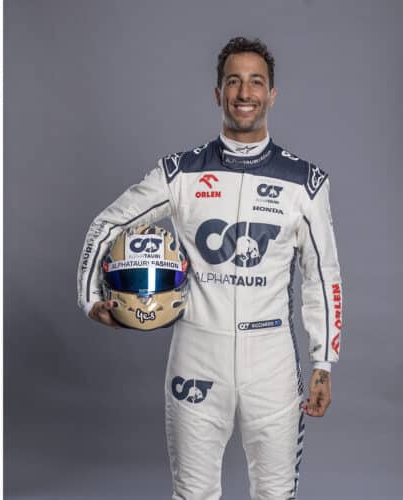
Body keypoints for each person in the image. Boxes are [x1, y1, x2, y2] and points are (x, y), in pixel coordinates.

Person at [77, 37, 342, 499]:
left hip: (272, 360)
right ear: (217, 93)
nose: (244, 93)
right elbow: (108, 223)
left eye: (255, 82)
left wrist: (324, 360)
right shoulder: (180, 173)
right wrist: (90, 297)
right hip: (196, 354)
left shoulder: (305, 182)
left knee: (276, 493)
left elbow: (324, 275)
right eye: (233, 81)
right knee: (193, 494)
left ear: (272, 94)